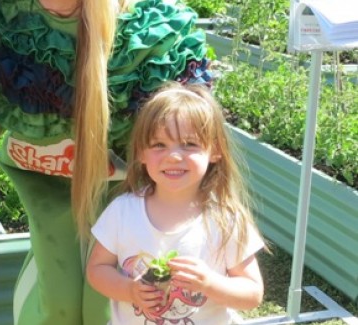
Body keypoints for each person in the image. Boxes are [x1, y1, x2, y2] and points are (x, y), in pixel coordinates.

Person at [0, 0, 211, 323]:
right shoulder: (4, 13)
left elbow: (191, 118)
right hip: (45, 185)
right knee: (56, 302)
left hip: (123, 192)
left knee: (106, 306)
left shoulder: (144, 27)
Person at [86, 82, 266, 324]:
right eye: (159, 145)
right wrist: (129, 290)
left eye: (189, 144)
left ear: (215, 151)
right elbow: (97, 270)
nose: (173, 156)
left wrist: (210, 283)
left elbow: (252, 294)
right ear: (141, 152)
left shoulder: (226, 218)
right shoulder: (122, 211)